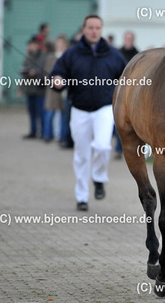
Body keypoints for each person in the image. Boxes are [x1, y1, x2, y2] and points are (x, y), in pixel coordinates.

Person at [51, 15, 126, 211]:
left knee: (102, 146)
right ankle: (82, 197)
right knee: (82, 155)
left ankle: (99, 178)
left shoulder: (113, 54)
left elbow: (126, 77)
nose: (94, 31)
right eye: (90, 27)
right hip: (79, 109)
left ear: (101, 30)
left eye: (97, 28)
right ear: (84, 29)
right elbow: (58, 73)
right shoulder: (72, 54)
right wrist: (57, 81)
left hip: (104, 107)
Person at [43, 36, 69, 142]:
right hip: (52, 91)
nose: (60, 47)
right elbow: (46, 73)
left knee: (64, 115)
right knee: (49, 113)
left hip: (64, 91)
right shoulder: (50, 58)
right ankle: (47, 135)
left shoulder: (68, 57)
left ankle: (62, 136)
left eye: (62, 45)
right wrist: (52, 81)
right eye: (58, 44)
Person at [20, 36, 46, 138]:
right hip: (29, 89)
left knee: (40, 112)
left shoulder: (43, 57)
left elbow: (45, 71)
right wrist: (21, 88)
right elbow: (24, 73)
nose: (31, 47)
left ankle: (43, 132)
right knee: (31, 112)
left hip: (39, 89)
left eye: (32, 45)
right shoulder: (28, 57)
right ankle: (33, 131)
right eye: (29, 45)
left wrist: (35, 72)